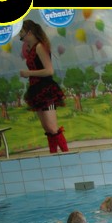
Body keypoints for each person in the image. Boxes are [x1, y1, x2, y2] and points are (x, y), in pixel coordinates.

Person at [19, 18, 68, 154]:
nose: (20, 35)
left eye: (21, 32)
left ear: (29, 32)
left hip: (46, 90)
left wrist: (28, 73)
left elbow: (49, 71)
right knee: (47, 128)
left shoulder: (40, 47)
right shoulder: (31, 49)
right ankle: (54, 154)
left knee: (52, 127)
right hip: (36, 89)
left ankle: (66, 153)